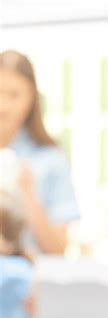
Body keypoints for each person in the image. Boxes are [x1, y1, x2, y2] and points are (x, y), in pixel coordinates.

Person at [0, 50, 79, 254]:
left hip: (31, 280)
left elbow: (59, 249)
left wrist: (28, 195)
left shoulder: (50, 159)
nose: (4, 106)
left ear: (31, 98)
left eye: (14, 95)